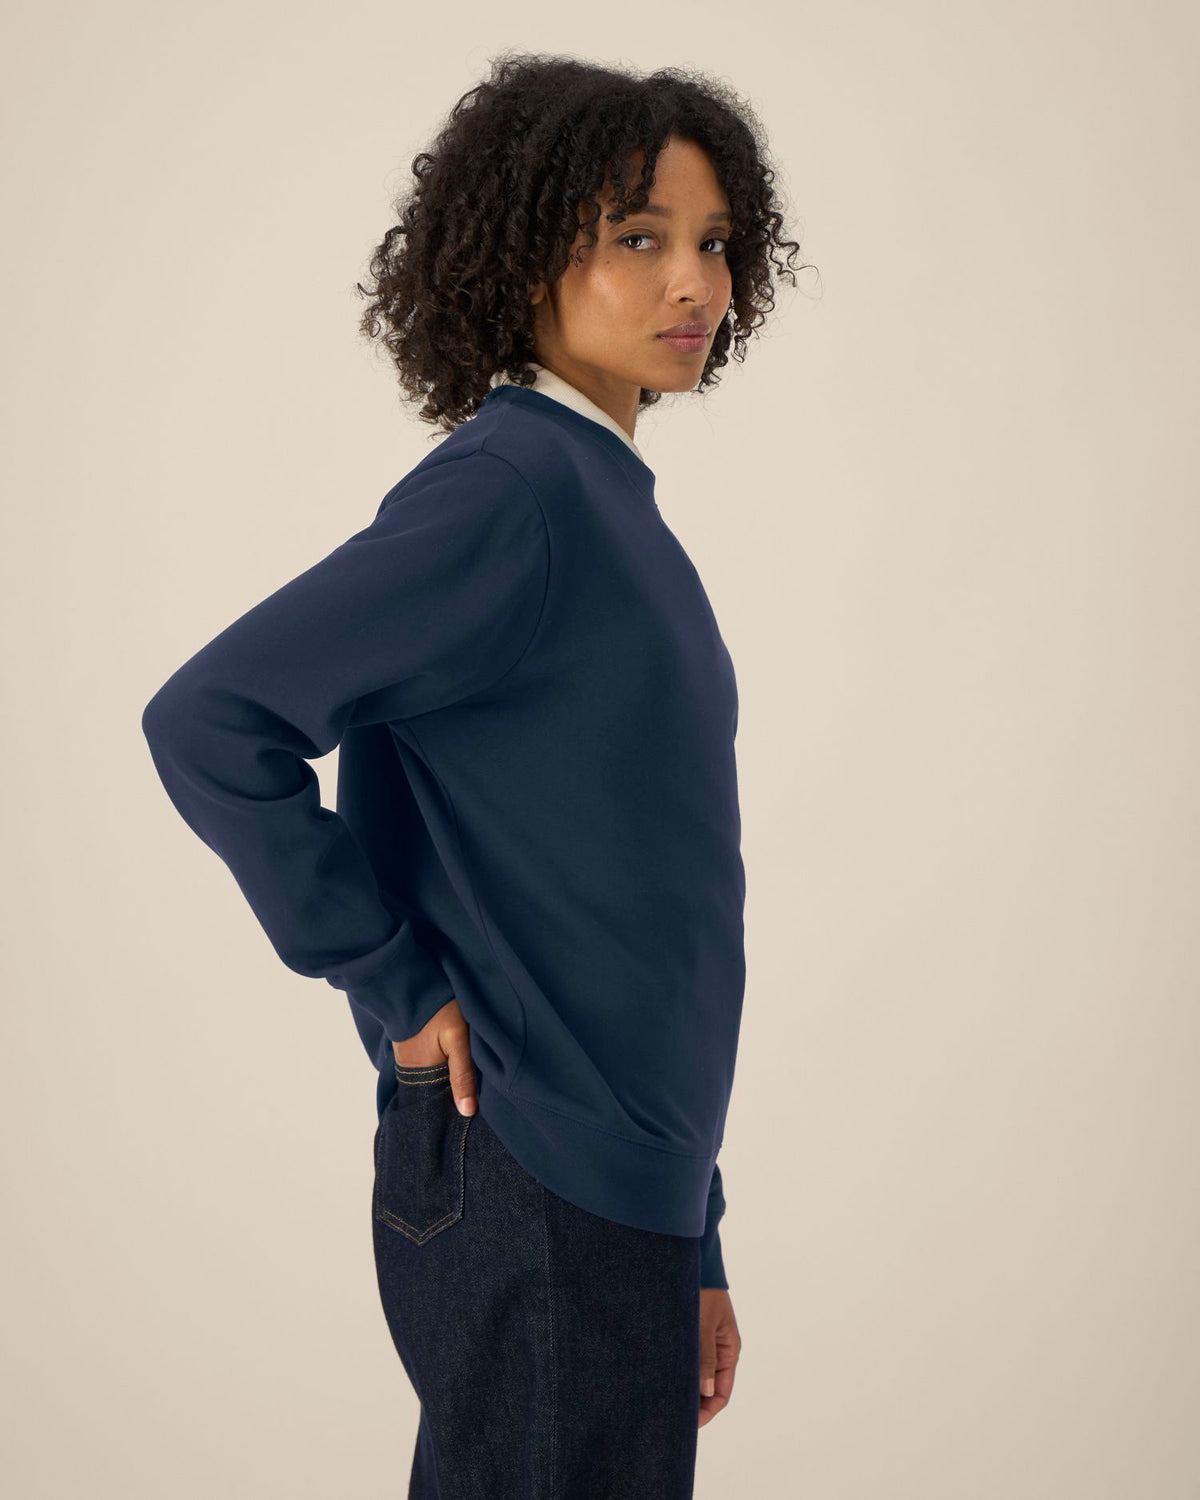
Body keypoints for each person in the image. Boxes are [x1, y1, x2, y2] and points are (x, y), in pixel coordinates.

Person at [141, 51, 805, 1500]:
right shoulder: (514, 494)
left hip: (615, 1182)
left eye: (713, 242)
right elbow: (211, 720)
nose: (693, 281)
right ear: (524, 257)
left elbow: (646, 906)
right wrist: (393, 980)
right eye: (638, 237)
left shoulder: (603, 504)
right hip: (533, 1170)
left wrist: (693, 1226)